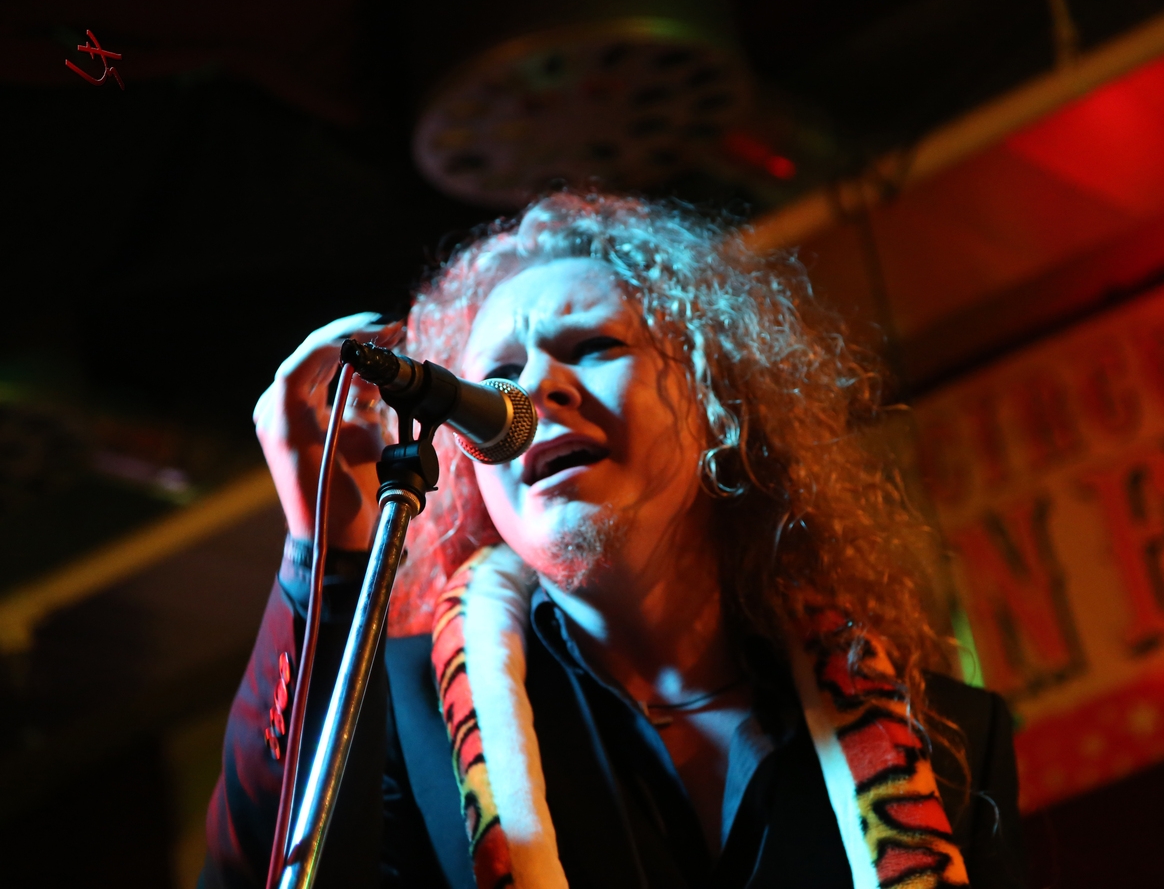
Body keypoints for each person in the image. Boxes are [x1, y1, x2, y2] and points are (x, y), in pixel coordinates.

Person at [201, 193, 1025, 889]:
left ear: (717, 402)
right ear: (471, 473)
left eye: (593, 347)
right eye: (496, 381)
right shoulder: (399, 717)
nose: (535, 390)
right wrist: (322, 562)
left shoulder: (946, 744)